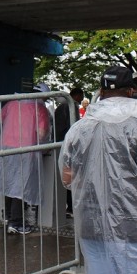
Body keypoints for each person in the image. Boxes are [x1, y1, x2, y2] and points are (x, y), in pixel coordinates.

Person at [59, 65, 137, 274]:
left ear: (101, 91)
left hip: (91, 222)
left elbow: (66, 178)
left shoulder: (79, 130)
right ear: (131, 91)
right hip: (131, 222)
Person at [0, 82, 52, 235]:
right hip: (26, 149)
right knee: (20, 186)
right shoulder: (40, 108)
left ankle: (9, 218)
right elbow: (42, 132)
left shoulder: (13, 102)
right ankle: (16, 222)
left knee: (8, 183)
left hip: (5, 147)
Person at [54, 87, 84, 217]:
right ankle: (70, 207)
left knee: (69, 176)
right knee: (69, 176)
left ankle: (70, 206)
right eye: (81, 96)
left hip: (65, 145)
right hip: (66, 146)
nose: (82, 99)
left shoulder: (66, 106)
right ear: (76, 95)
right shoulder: (68, 107)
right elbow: (64, 128)